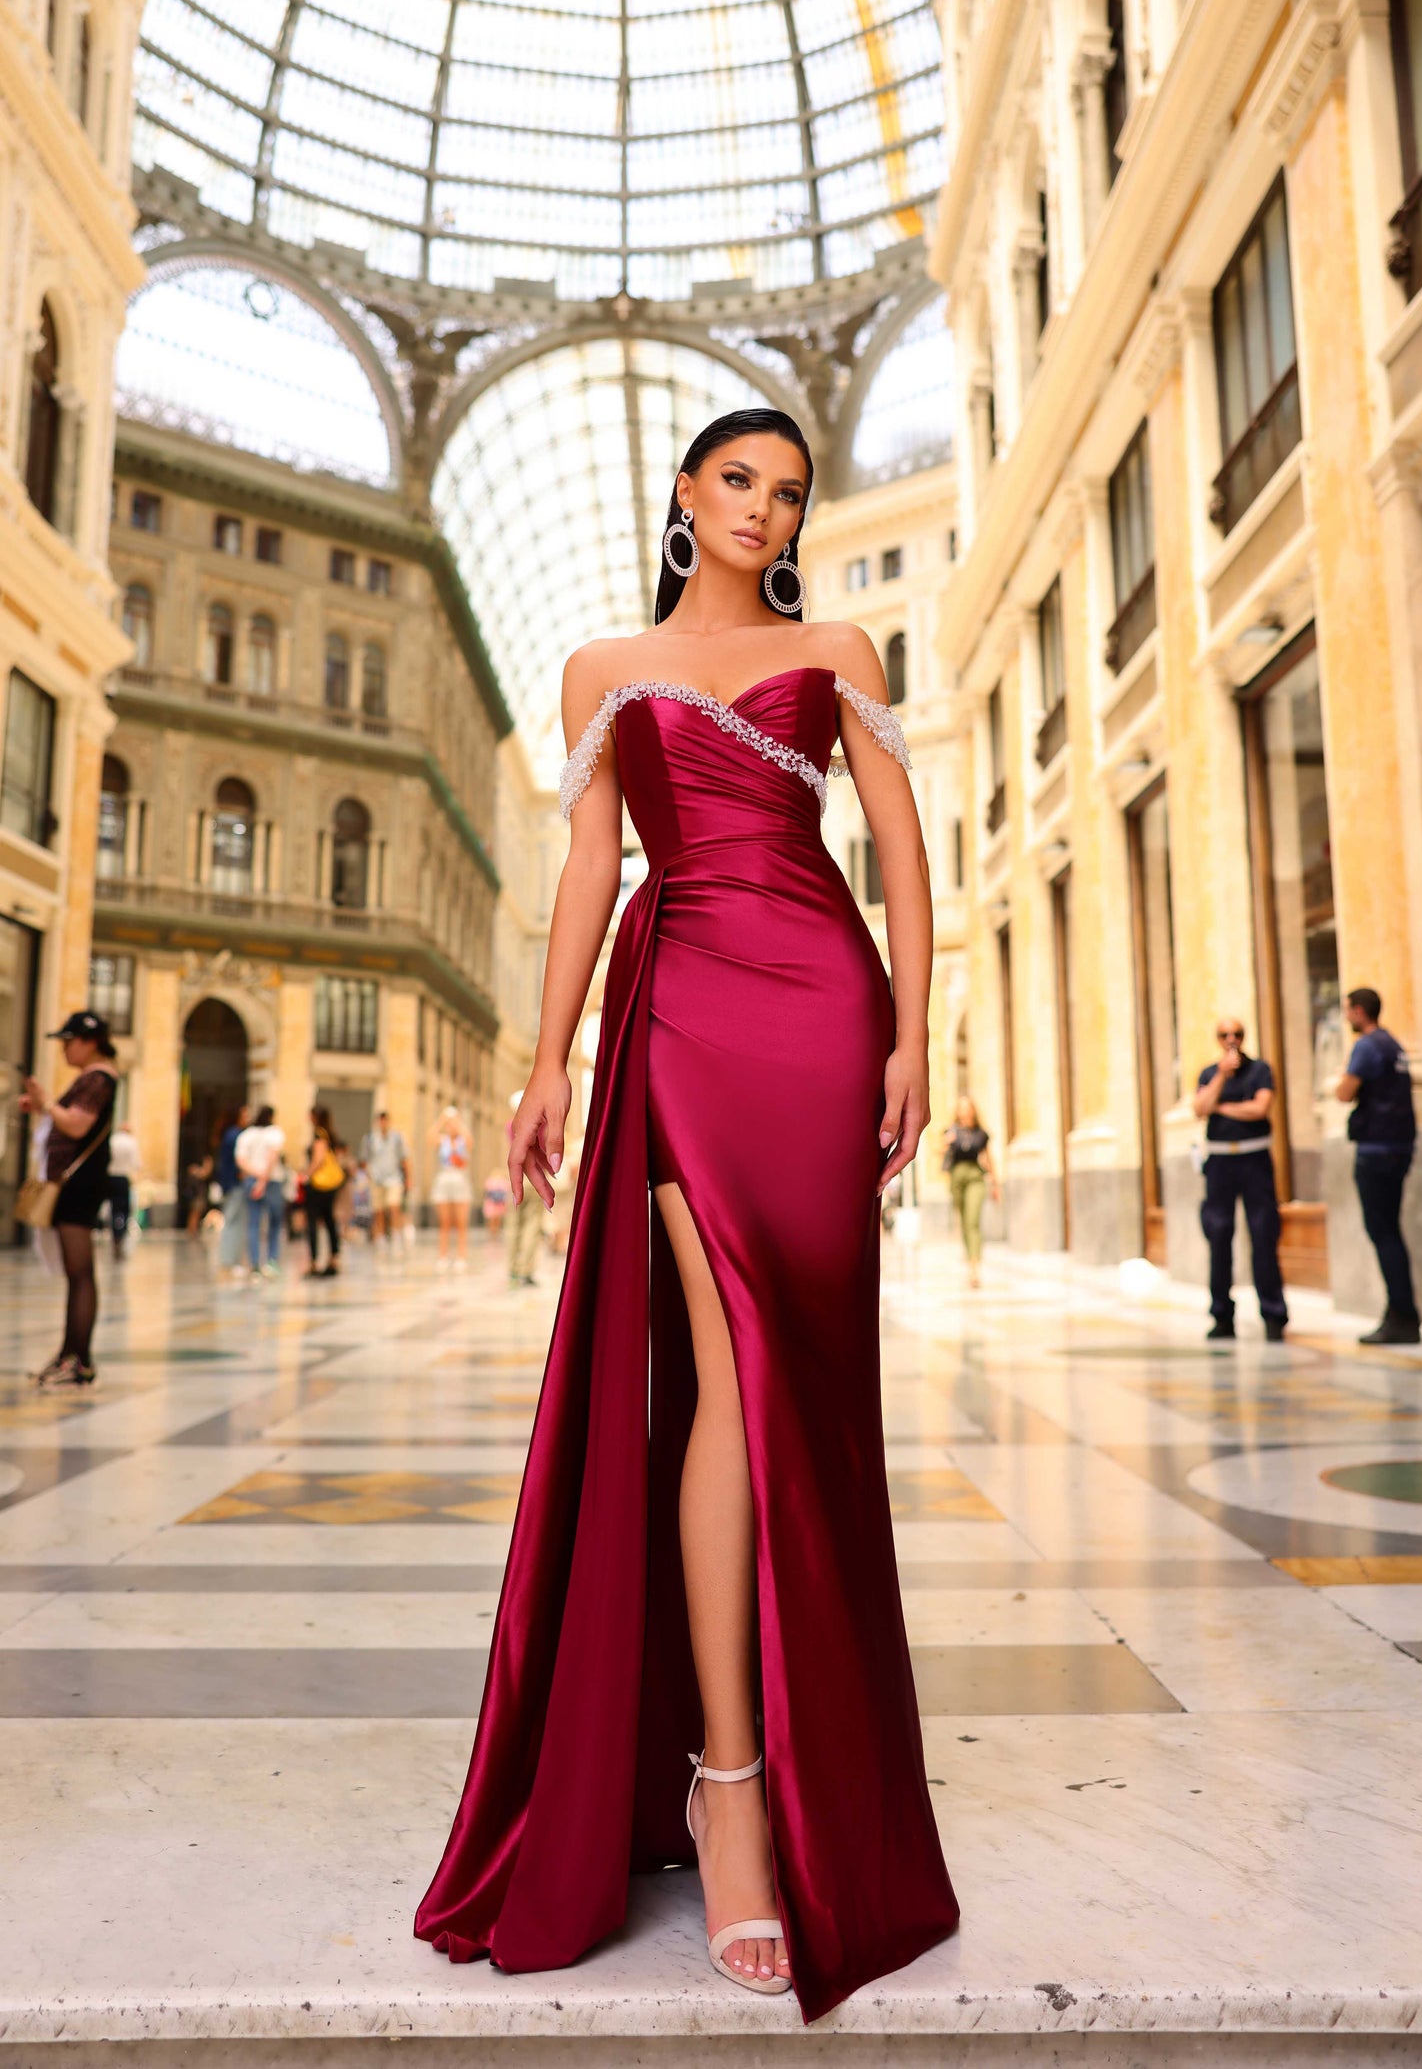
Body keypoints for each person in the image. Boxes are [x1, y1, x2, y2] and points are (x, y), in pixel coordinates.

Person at [415, 409, 956, 2018]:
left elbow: (901, 856)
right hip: (682, 1010)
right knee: (727, 1374)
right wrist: (546, 1062)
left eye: (788, 490)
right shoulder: (599, 667)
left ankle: (800, 1762)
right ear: (683, 491)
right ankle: (728, 1782)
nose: (764, 508)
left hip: (819, 1001)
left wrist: (917, 1031)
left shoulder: (838, 645)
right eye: (738, 479)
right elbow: (592, 864)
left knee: (805, 1385)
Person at [20, 1010, 119, 1387]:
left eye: (69, 1041)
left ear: (89, 1041)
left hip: (79, 1186)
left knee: (80, 1274)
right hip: (77, 1185)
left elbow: (77, 1124)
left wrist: (46, 1103)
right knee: (76, 1274)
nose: (64, 1048)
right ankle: (69, 1355)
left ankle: (79, 1360)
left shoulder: (98, 1077)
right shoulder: (92, 1077)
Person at [1192, 1019, 1288, 1341]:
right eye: (1224, 1035)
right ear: (1218, 1039)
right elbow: (1201, 1108)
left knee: (1263, 1233)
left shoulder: (1260, 1070)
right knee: (1219, 1235)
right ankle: (1221, 1315)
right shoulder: (1209, 1073)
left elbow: (1261, 1109)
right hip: (1219, 1162)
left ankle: (1273, 1314)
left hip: (1254, 1159)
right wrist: (1222, 1076)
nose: (1232, 1040)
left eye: (1237, 1034)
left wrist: (1221, 1107)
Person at [1337, 987, 1420, 1345]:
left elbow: (1344, 1091)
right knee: (1391, 1231)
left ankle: (1402, 1315)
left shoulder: (1367, 1046)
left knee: (1383, 1231)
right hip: (1399, 1146)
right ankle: (1400, 1311)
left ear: (1358, 1012)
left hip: (1376, 1149)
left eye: (1348, 1011)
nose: (1346, 1017)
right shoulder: (1393, 1045)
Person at [942, 1095, 998, 1288]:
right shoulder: (951, 1131)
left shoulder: (981, 1134)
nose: (964, 1111)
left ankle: (975, 1269)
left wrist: (995, 1183)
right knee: (964, 1221)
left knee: (972, 1221)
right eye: (961, 1108)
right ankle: (969, 1259)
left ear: (973, 1110)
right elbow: (939, 1154)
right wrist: (946, 1143)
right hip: (957, 1178)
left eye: (967, 1108)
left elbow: (988, 1158)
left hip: (975, 1177)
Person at [236, 1105, 286, 1280]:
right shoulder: (275, 1133)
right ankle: (271, 1261)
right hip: (271, 1181)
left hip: (252, 1179)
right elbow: (273, 1157)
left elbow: (241, 1160)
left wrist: (256, 1177)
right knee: (274, 1223)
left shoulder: (246, 1135)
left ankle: (255, 1264)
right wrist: (263, 1180)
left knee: (253, 1224)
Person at [504, 1088, 543, 1286]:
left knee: (513, 1225)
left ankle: (512, 1269)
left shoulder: (510, 1126)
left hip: (514, 1177)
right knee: (531, 1225)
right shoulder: (537, 1127)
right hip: (533, 1178)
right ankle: (525, 1270)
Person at [303, 1103, 345, 1276]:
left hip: (319, 1184)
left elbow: (319, 1158)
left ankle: (313, 1261)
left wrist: (306, 1174)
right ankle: (334, 1258)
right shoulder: (330, 1134)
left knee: (312, 1222)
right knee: (329, 1221)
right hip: (331, 1185)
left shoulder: (319, 1134)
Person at [429, 1106, 472, 1273]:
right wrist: (442, 1120)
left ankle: (461, 1256)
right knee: (444, 1222)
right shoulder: (442, 1140)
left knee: (461, 1222)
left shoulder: (463, 1139)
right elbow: (430, 1137)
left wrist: (457, 1121)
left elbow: (470, 1140)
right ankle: (443, 1255)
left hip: (460, 1178)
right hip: (444, 1178)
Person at [361, 1109, 410, 1249]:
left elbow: (404, 1159)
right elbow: (364, 1160)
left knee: (394, 1206)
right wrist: (368, 1176)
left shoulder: (397, 1138)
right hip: (376, 1179)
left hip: (394, 1178)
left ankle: (396, 1235)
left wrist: (408, 1178)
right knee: (379, 1209)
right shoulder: (370, 1139)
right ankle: (381, 1236)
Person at [215, 1104, 251, 1277]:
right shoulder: (236, 1135)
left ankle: (231, 1260)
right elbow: (238, 1161)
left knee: (233, 1221)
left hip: (230, 1184)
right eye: (244, 1114)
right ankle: (230, 1261)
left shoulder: (230, 1134)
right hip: (235, 1184)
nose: (247, 1117)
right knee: (232, 1221)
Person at [107, 1122, 142, 1257]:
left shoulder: (113, 1140)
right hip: (122, 1178)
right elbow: (137, 1164)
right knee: (124, 1209)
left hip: (110, 1177)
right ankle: (120, 1236)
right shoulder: (131, 1142)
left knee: (114, 1208)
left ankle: (114, 1236)